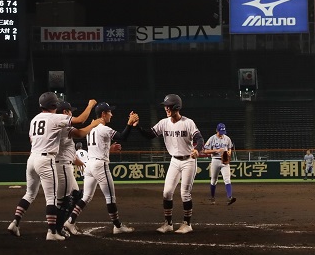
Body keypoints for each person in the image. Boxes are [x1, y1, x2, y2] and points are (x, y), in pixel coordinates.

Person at [7, 92, 102, 241]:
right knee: (53, 199)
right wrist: (91, 108)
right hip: (48, 160)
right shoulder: (56, 119)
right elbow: (80, 123)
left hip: (32, 158)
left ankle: (15, 223)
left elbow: (32, 140)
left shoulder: (34, 120)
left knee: (30, 194)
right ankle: (53, 231)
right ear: (55, 106)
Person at [63, 102, 137, 236]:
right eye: (109, 112)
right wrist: (130, 123)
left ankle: (70, 221)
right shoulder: (103, 128)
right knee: (110, 197)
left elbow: (97, 149)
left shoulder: (91, 129)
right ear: (103, 114)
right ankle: (118, 226)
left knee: (86, 197)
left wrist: (109, 149)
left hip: (90, 165)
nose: (111, 114)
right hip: (99, 166)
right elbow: (122, 137)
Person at [136, 94, 204, 234]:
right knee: (167, 192)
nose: (166, 108)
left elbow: (200, 139)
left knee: (184, 193)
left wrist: (197, 149)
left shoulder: (188, 122)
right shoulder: (164, 123)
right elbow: (149, 135)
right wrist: (137, 127)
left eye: (169, 106)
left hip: (188, 161)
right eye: (166, 106)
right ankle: (168, 223)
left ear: (176, 107)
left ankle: (187, 224)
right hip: (174, 160)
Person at [53, 99, 96, 236]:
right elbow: (80, 131)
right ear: (65, 112)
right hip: (62, 166)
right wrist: (93, 121)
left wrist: (74, 159)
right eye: (70, 111)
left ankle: (66, 224)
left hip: (63, 164)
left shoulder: (55, 125)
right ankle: (57, 228)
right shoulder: (63, 125)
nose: (71, 113)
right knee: (63, 200)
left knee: (75, 195)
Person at [203, 123, 236, 205]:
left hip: (224, 161)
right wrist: (216, 151)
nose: (222, 133)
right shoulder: (212, 138)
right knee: (214, 180)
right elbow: (205, 150)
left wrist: (228, 152)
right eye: (221, 131)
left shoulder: (227, 139)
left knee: (227, 179)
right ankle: (212, 197)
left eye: (223, 132)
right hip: (215, 160)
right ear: (217, 130)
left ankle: (229, 197)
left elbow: (229, 148)